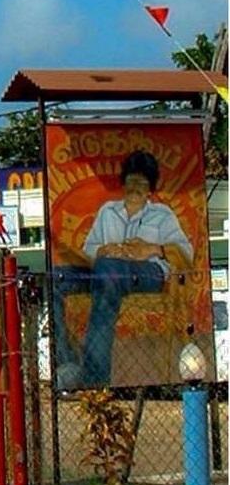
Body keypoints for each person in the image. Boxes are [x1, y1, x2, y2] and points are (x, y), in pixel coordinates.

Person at [51, 150, 193, 389]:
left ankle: (95, 379)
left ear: (151, 189)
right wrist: (104, 250)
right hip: (106, 268)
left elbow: (185, 251)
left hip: (149, 273)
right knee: (56, 278)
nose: (135, 188)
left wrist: (151, 248)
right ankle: (67, 365)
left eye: (142, 183)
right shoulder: (108, 211)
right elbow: (89, 249)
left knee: (108, 273)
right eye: (131, 181)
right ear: (123, 184)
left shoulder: (162, 214)